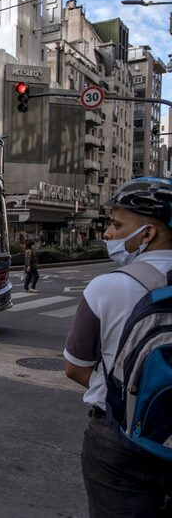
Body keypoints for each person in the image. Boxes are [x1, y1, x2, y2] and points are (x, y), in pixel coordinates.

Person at [63, 178, 172, 517]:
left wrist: (131, 400)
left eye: (117, 224)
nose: (108, 234)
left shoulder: (106, 287)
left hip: (117, 437)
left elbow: (76, 367)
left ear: (148, 234)